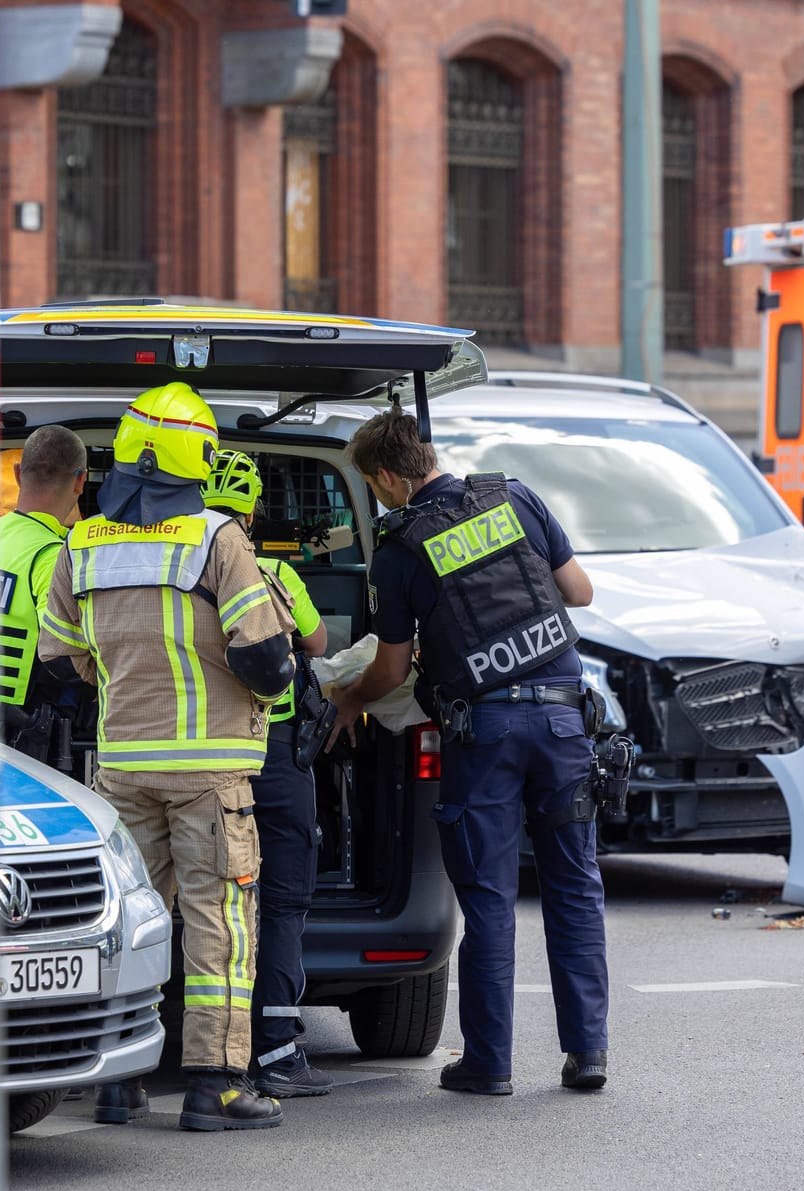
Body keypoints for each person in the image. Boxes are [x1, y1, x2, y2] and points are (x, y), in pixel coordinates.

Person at [37, 383, 297, 1132]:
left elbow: (58, 664)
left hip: (122, 768)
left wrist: (123, 681)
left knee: (133, 920)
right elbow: (271, 661)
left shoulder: (79, 544)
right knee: (219, 919)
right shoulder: (217, 539)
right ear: (198, 458)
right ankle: (215, 1085)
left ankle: (122, 1081)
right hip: (212, 774)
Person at [328, 407, 608, 1095]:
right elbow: (579, 591)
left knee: (487, 898)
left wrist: (347, 699)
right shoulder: (513, 496)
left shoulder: (399, 549)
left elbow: (390, 672)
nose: (378, 498)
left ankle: (490, 1063)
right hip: (567, 723)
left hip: (486, 733)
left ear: (391, 476)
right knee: (575, 888)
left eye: (374, 487)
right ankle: (589, 1055)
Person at [201, 449, 334, 1099]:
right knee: (283, 902)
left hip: (207, 754)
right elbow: (318, 644)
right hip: (275, 756)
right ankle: (278, 1052)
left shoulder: (184, 574)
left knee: (216, 905)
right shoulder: (277, 572)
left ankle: (202, 1050)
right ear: (253, 510)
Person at [0, 424, 89, 763]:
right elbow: (63, 655)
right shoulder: (52, 554)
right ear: (81, 481)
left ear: (18, 473)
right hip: (22, 730)